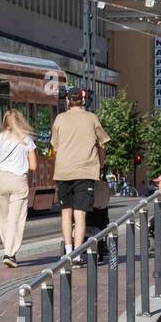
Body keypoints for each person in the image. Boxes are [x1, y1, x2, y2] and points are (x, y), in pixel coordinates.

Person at [52, 87, 109, 264]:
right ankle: (77, 252)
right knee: (80, 213)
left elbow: (55, 145)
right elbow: (103, 143)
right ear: (83, 100)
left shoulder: (60, 119)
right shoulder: (92, 118)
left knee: (66, 213)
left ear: (68, 101)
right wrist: (101, 166)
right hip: (85, 171)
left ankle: (67, 251)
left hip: (64, 171)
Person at [0, 108, 37, 268]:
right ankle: (9, 253)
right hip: (19, 180)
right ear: (20, 121)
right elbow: (33, 166)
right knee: (16, 219)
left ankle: (8, 249)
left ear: (4, 122)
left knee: (3, 217)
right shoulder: (26, 140)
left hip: (1, 178)